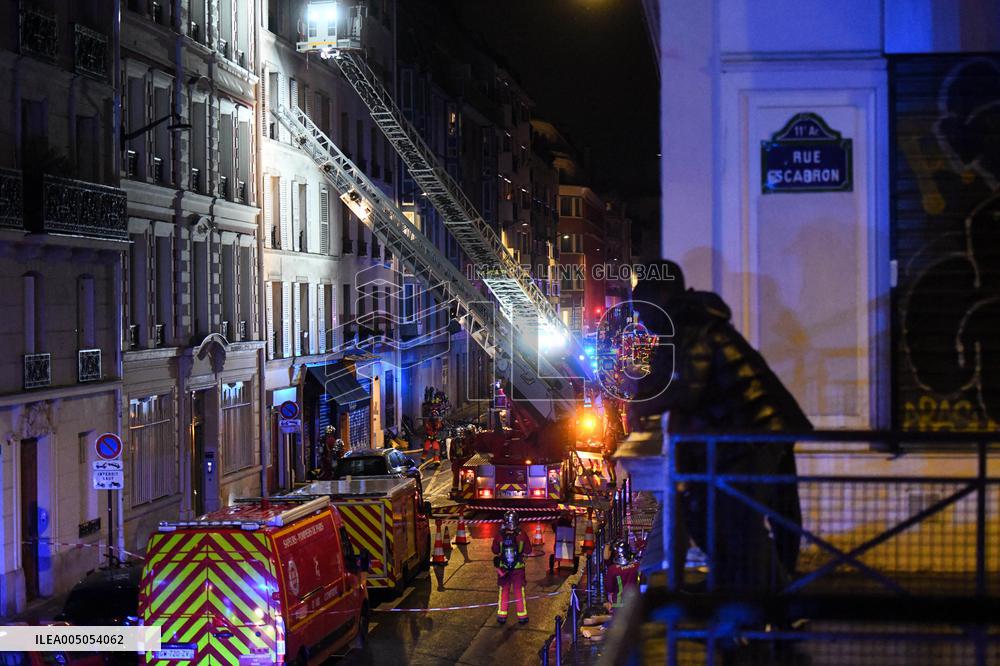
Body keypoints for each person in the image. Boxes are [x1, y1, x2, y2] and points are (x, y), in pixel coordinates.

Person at [628, 260, 809, 593]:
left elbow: (688, 388)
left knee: (736, 517)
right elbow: (674, 375)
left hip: (756, 431)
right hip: (762, 427)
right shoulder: (690, 322)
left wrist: (643, 404)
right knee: (753, 514)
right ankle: (762, 588)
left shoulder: (690, 324)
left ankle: (772, 596)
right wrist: (646, 392)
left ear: (661, 296)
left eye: (641, 307)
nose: (641, 318)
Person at [492, 510, 532, 624]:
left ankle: (502, 616)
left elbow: (494, 550)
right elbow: (528, 550)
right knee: (519, 590)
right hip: (518, 568)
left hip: (503, 568)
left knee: (504, 590)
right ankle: (522, 616)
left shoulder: (500, 535)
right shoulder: (522, 534)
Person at [605, 539, 641, 609]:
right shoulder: (637, 566)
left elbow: (609, 588)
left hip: (619, 605)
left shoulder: (613, 569)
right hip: (635, 603)